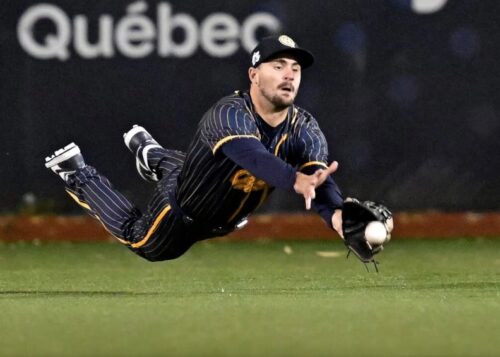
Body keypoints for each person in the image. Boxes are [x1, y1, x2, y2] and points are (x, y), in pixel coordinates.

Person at [45, 35, 345, 262]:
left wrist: (337, 216)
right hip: (182, 210)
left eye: (295, 68)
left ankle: (150, 154)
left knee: (194, 166)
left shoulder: (304, 127)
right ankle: (78, 173)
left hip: (208, 190)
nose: (289, 74)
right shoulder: (228, 113)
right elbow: (251, 156)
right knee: (141, 241)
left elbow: (317, 180)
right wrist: (294, 179)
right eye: (278, 66)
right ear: (253, 75)